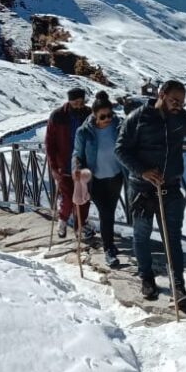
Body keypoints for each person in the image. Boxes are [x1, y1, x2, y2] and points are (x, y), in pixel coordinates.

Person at [116, 79, 186, 306]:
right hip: (142, 188)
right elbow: (120, 149)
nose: (178, 105)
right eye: (174, 101)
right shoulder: (138, 118)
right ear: (161, 95)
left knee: (173, 238)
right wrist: (143, 171)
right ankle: (146, 278)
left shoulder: (180, 117)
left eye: (182, 102)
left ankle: (178, 286)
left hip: (170, 187)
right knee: (142, 235)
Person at [73, 94, 125, 267]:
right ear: (94, 115)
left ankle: (109, 244)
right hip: (95, 180)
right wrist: (77, 167)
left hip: (116, 176)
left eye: (109, 115)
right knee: (106, 213)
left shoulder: (118, 127)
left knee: (110, 211)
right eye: (103, 117)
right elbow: (77, 154)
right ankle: (108, 249)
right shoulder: (84, 132)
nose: (107, 119)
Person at [45, 87, 91, 239]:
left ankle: (80, 226)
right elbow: (49, 143)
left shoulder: (88, 113)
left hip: (83, 164)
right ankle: (63, 220)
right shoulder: (58, 116)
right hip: (63, 165)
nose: (79, 105)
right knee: (67, 197)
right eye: (75, 102)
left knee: (83, 197)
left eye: (81, 102)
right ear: (69, 101)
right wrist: (53, 167)